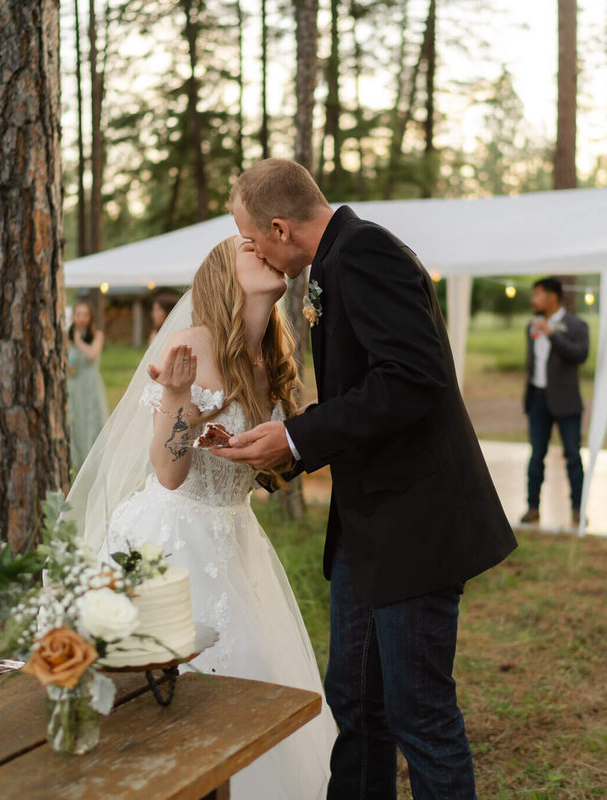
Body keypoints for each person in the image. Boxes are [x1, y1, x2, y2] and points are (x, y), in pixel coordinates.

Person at [218, 158, 516, 799]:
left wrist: (299, 435)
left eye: (250, 238)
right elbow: (367, 394)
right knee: (355, 707)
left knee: (419, 717)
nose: (250, 250)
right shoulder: (334, 261)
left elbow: (413, 380)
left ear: (279, 228)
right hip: (367, 529)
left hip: (414, 530)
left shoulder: (365, 254)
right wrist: (290, 448)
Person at [66, 236, 336, 798]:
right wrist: (177, 396)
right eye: (248, 247)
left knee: (257, 675)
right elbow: (168, 471)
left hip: (235, 534)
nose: (263, 249)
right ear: (222, 274)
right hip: (174, 538)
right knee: (185, 682)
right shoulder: (192, 344)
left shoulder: (274, 358)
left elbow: (271, 469)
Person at [520, 277, 590, 527]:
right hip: (538, 398)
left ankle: (577, 509)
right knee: (536, 454)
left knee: (572, 455)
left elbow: (580, 354)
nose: (533, 300)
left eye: (537, 294)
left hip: (565, 400)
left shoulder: (576, 324)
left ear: (552, 297)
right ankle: (532, 507)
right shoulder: (532, 325)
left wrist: (553, 335)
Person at [66, 300, 108, 471]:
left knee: (92, 420)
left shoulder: (97, 335)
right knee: (75, 421)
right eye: (78, 315)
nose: (81, 318)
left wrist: (78, 342)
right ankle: (77, 461)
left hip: (90, 387)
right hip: (74, 385)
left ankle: (94, 463)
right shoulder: (67, 337)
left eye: (85, 315)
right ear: (74, 316)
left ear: (90, 317)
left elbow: (92, 354)